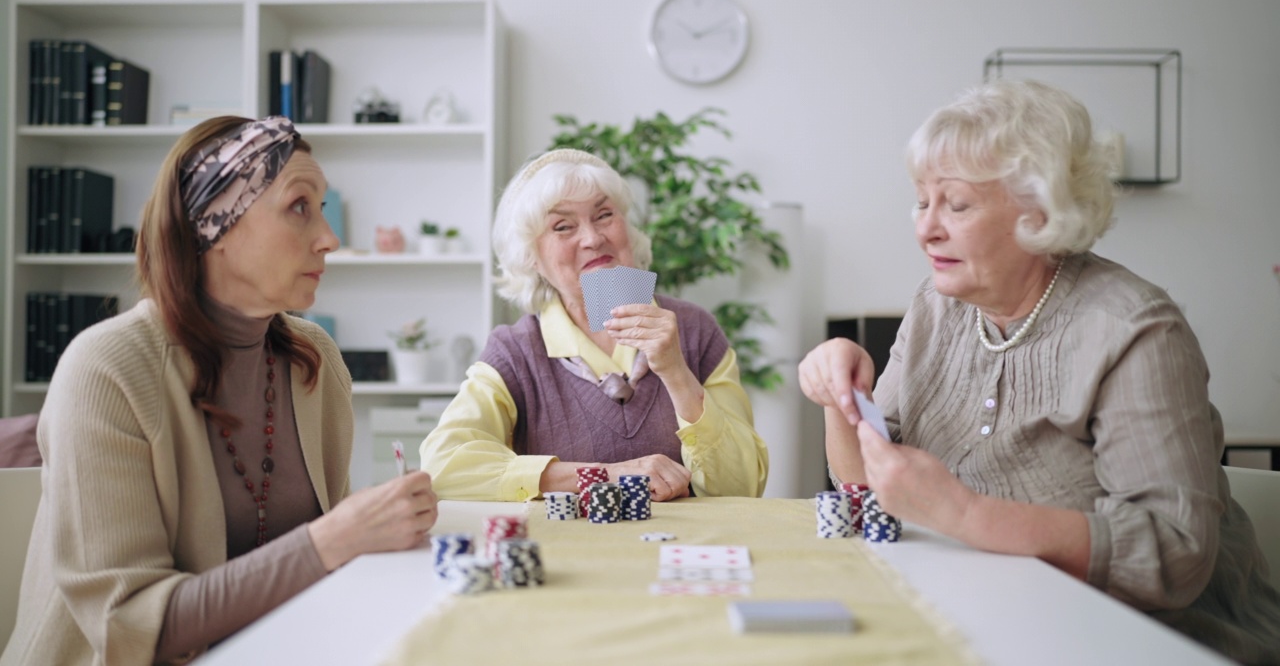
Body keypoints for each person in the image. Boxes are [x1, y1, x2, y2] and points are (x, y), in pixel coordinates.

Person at [799, 80, 1280, 663]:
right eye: (922, 201)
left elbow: (1174, 554)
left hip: (1147, 642)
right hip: (984, 622)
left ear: (1040, 210)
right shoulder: (937, 306)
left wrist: (964, 514)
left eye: (957, 204)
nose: (926, 228)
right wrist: (839, 397)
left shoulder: (1134, 329)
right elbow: (872, 492)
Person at [1, 116, 439, 666]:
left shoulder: (314, 359)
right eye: (299, 207)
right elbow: (129, 628)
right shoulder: (106, 369)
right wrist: (336, 538)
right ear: (217, 226)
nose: (329, 239)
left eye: (322, 210)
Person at [419, 148, 768, 502]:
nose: (592, 238)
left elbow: (743, 488)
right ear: (532, 259)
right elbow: (442, 466)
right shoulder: (516, 352)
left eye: (604, 215)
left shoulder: (695, 330)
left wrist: (676, 371)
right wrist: (603, 476)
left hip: (681, 551)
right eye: (563, 226)